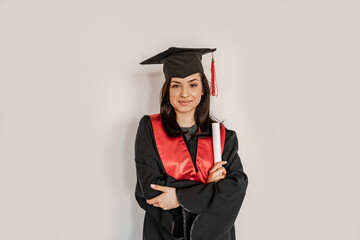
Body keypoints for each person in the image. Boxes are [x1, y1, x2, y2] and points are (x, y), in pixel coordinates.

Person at [135, 47, 248, 240]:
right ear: (167, 90)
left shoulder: (224, 138)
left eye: (193, 85)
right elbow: (150, 187)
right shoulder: (149, 129)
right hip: (165, 234)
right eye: (176, 85)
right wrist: (208, 186)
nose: (184, 93)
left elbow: (235, 188)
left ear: (203, 89)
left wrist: (179, 197)